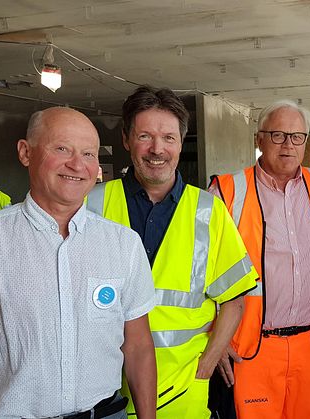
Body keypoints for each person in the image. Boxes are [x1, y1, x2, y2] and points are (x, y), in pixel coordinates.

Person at [0, 107, 157, 418]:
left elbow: (138, 346)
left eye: (88, 153)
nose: (77, 164)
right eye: (62, 148)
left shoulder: (123, 244)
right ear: (25, 152)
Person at [86, 86, 258, 418]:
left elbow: (234, 301)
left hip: (183, 392)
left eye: (168, 138)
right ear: (126, 139)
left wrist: (207, 364)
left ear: (181, 142)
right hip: (104, 389)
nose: (157, 149)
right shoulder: (92, 204)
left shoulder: (209, 211)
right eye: (145, 136)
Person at [210, 100, 310, 419]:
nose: (288, 145)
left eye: (297, 136)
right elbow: (200, 274)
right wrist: (215, 337)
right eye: (277, 135)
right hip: (251, 347)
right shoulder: (226, 190)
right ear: (259, 139)